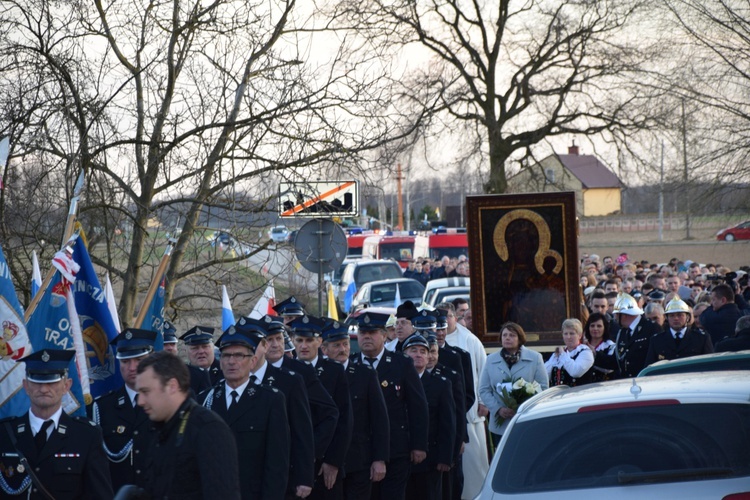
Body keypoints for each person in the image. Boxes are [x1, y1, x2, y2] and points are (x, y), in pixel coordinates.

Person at [0, 349, 113, 499]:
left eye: (52, 381)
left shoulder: (86, 436)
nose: (44, 389)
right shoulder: (5, 433)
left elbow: (100, 496)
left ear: (67, 385)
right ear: (26, 386)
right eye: (37, 381)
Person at [200, 324, 290, 499]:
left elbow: (277, 462)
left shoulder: (271, 400)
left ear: (253, 361)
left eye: (239, 355)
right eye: (226, 355)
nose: (231, 361)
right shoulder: (205, 399)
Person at [136, 351, 240, 499]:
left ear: (172, 386)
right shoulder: (157, 429)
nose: (140, 401)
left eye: (146, 391)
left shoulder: (208, 429)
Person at [351, 311, 428, 500]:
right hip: (360, 450)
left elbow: (418, 405)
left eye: (373, 332)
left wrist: (419, 445)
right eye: (363, 333)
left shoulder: (401, 363)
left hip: (395, 448)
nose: (367, 337)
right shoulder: (350, 365)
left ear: (385, 335)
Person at [320, 320, 390, 500]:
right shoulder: (318, 376)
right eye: (336, 345)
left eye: (345, 344)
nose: (343, 349)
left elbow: (379, 419)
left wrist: (379, 458)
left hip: (359, 460)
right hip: (326, 461)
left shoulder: (365, 374)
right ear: (324, 349)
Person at [290, 315, 353, 500]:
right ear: (293, 341)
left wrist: (333, 461)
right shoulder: (285, 370)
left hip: (325, 461)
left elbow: (344, 418)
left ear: (319, 341)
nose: (304, 345)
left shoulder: (334, 371)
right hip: (295, 460)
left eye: (309, 340)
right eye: (299, 340)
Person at [90, 328, 158, 491]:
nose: (132, 367)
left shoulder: (165, 404)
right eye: (126, 361)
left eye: (139, 360)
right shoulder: (102, 407)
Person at [437, 301, 488, 500]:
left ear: (455, 317)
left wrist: (483, 400)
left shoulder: (469, 340)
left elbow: (482, 370)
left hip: (469, 408)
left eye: (448, 316)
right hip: (444, 407)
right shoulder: (433, 340)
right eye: (441, 318)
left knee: (474, 461)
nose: (445, 321)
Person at [403, 334, 455, 500]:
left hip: (430, 459)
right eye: (413, 350)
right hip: (400, 456)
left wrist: (445, 458)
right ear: (404, 355)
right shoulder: (394, 381)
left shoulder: (440, 384)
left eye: (423, 351)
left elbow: (448, 424)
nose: (419, 354)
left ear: (428, 358)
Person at [478, 322, 547, 448]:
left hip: (525, 419)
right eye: (504, 335)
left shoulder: (535, 358)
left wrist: (523, 407)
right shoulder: (491, 359)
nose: (507, 338)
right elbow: (484, 389)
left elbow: (543, 387)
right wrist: (498, 409)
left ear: (520, 338)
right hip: (500, 424)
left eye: (512, 335)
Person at [425, 333, 465, 500]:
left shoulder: (450, 376)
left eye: (435, 352)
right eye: (429, 352)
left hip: (443, 445)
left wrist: (458, 442)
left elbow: (458, 413)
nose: (432, 356)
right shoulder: (408, 376)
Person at [644, 298, 714, 366]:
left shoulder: (701, 338)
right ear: (667, 318)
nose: (676, 318)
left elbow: (710, 365)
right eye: (672, 315)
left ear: (687, 317)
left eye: (680, 315)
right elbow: (650, 367)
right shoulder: (656, 340)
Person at [611, 292, 661, 378]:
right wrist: (595, 355)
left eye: (616, 314)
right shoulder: (623, 332)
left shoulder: (651, 328)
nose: (615, 318)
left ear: (624, 315)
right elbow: (616, 361)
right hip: (626, 382)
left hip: (645, 382)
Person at [545, 319, 594, 387]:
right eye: (565, 334)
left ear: (579, 335)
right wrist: (554, 357)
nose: (568, 337)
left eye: (572, 333)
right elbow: (545, 375)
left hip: (577, 395)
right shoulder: (560, 353)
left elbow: (575, 372)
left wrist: (562, 354)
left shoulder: (585, 353)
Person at [180, 325, 223, 395]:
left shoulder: (225, 371)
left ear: (213, 348)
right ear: (186, 351)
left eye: (205, 346)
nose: (201, 351)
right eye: (195, 348)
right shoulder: (180, 375)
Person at [582, 313, 616, 382]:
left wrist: (594, 353)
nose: (595, 328)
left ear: (605, 328)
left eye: (599, 326)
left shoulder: (610, 346)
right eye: (592, 326)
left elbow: (609, 369)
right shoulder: (582, 345)